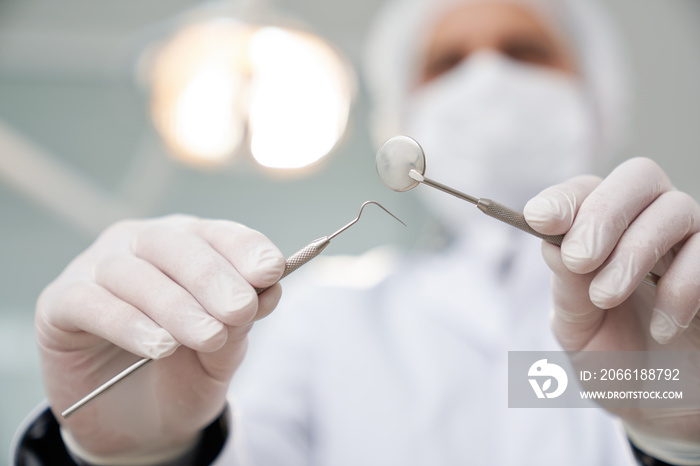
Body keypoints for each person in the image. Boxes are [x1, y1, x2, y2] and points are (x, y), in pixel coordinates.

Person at [12, 0, 700, 464]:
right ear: (406, 114)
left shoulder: (676, 308)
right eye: (447, 62)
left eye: (524, 50)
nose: (488, 78)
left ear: (598, 94)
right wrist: (143, 455)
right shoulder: (327, 318)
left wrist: (681, 431)